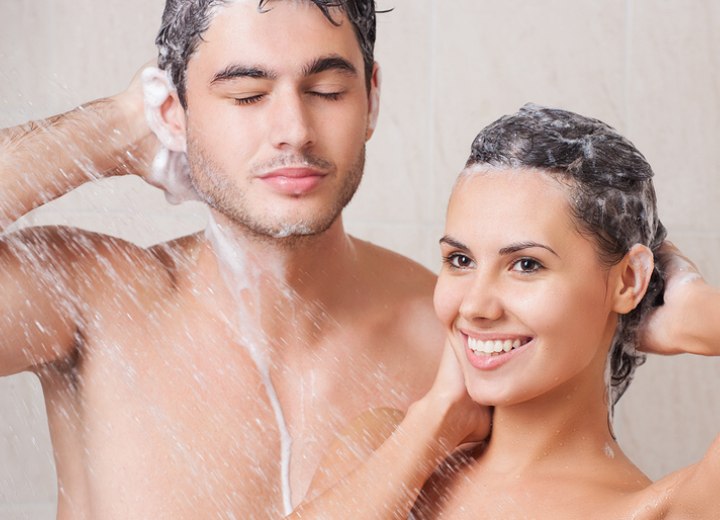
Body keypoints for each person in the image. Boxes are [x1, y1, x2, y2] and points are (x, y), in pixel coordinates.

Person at [0, 1, 447, 517]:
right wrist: (114, 129)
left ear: (370, 99)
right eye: (247, 95)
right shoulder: (95, 306)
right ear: (172, 111)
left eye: (327, 91)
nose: (294, 130)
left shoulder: (452, 341)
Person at [315, 103, 720, 519]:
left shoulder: (667, 510)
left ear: (628, 280)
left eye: (526, 264)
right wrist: (438, 418)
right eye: (460, 260)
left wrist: (696, 316)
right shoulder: (382, 447)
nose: (474, 306)